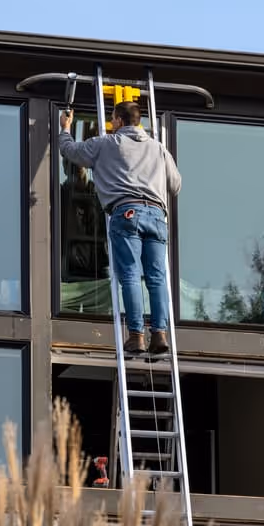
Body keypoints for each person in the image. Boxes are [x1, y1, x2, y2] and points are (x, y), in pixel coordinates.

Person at [57, 100, 182, 355]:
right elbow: (176, 184)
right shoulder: (158, 148)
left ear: (119, 121)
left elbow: (70, 151)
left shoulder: (106, 144)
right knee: (157, 278)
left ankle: (136, 335)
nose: (112, 124)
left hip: (126, 213)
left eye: (113, 120)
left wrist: (65, 127)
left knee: (130, 276)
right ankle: (159, 334)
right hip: (157, 216)